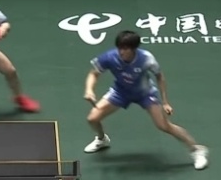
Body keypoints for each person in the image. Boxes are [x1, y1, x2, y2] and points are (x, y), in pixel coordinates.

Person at [83, 30, 209, 170]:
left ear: (134, 49)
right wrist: (89, 90)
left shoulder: (146, 58)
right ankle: (102, 139)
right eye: (120, 48)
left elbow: (160, 77)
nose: (121, 52)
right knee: (92, 119)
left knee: (164, 126)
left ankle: (197, 150)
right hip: (120, 92)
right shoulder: (109, 57)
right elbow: (93, 73)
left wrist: (165, 102)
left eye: (125, 49)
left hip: (145, 94)